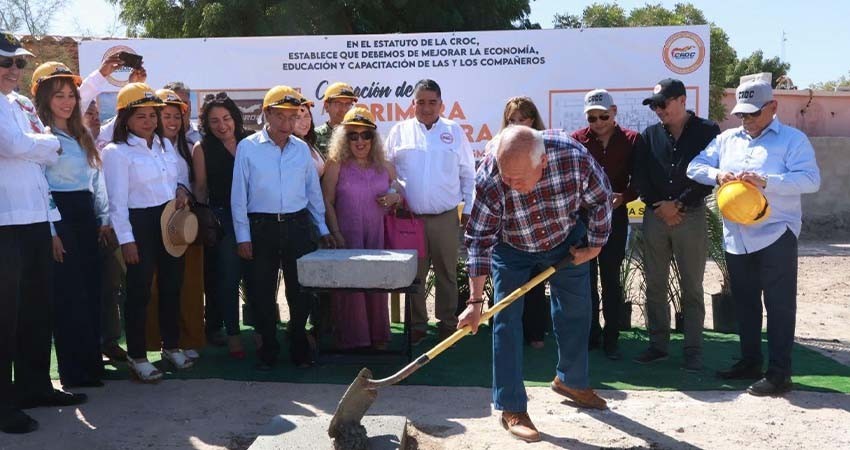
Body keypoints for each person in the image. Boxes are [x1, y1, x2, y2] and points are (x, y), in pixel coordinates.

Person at [459, 126, 612, 442]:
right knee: (507, 320)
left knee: (577, 311)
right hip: (511, 247)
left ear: (543, 161)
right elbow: (478, 239)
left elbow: (601, 198)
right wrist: (475, 303)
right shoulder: (491, 176)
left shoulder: (574, 157)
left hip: (564, 239)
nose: (510, 185)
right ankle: (511, 406)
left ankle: (571, 380)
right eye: (506, 178)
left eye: (518, 179)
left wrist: (594, 246)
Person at [687, 80, 821, 396]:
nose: (746, 121)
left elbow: (811, 180)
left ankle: (779, 373)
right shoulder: (726, 140)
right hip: (737, 236)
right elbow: (695, 167)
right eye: (742, 115)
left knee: (779, 306)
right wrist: (717, 175)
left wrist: (767, 181)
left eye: (753, 114)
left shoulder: (793, 140)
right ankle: (749, 362)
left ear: (772, 108)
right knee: (745, 305)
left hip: (777, 234)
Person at [0, 31, 86, 435]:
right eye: (6, 62)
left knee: (36, 310)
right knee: (5, 317)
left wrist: (34, 144)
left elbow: (40, 149)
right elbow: (14, 144)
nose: (14, 69)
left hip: (33, 218)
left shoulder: (17, 104)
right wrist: (37, 143)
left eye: (18, 62)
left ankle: (34, 386)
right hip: (3, 223)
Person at [231, 85, 333, 370]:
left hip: (297, 225)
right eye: (282, 117)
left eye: (293, 117)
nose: (288, 124)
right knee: (261, 291)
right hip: (260, 226)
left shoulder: (302, 149)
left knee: (300, 291)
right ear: (266, 114)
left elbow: (313, 193)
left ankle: (298, 344)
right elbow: (239, 196)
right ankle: (268, 346)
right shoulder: (248, 148)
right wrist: (243, 235)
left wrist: (322, 228)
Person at [101, 82, 194, 383]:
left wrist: (181, 190)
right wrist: (127, 240)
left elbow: (178, 178)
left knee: (171, 286)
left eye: (152, 115)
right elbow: (117, 202)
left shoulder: (165, 145)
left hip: (168, 218)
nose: (149, 121)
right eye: (141, 116)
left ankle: (171, 345)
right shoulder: (116, 152)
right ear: (124, 118)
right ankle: (137, 355)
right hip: (138, 224)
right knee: (139, 292)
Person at [31, 62, 110, 388]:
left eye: (70, 95)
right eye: (58, 95)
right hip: (58, 216)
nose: (66, 101)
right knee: (68, 297)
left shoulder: (82, 135)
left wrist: (103, 219)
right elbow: (40, 185)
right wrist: (51, 231)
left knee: (92, 292)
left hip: (85, 215)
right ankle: (73, 372)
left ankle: (92, 367)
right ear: (44, 100)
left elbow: (95, 180)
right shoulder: (40, 137)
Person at [632, 78, 720, 371]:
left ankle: (693, 349)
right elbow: (640, 176)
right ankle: (658, 345)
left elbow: (709, 176)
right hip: (656, 216)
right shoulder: (648, 136)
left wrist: (679, 204)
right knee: (655, 284)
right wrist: (660, 205)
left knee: (691, 286)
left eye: (663, 104)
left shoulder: (708, 132)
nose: (658, 110)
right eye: (654, 105)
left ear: (682, 100)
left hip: (690, 216)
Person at [385, 79, 476, 344]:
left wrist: (468, 208)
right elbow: (388, 173)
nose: (426, 107)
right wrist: (393, 196)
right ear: (413, 104)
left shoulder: (454, 131)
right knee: (414, 274)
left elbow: (468, 174)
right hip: (409, 219)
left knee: (447, 272)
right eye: (421, 102)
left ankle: (448, 324)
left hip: (445, 217)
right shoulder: (399, 132)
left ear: (441, 104)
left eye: (432, 102)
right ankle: (418, 325)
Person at [321, 107, 401, 350]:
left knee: (376, 284)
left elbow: (398, 192)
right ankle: (353, 339)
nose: (359, 141)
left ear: (374, 138)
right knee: (351, 289)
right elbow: (326, 201)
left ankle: (378, 337)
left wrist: (394, 198)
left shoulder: (385, 166)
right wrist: (335, 233)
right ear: (343, 138)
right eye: (352, 135)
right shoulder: (335, 165)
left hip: (377, 236)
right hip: (348, 237)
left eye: (365, 135)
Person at [571, 89, 641, 360]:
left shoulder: (633, 140)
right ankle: (590, 335)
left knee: (611, 278)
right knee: (586, 280)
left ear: (614, 112)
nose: (598, 123)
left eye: (603, 116)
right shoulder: (576, 140)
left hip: (616, 217)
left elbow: (640, 178)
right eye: (592, 118)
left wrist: (624, 197)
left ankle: (612, 337)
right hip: (583, 219)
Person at [143, 89, 205, 361]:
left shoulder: (188, 146)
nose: (172, 121)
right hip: (154, 225)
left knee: (188, 286)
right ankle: (158, 342)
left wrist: (187, 195)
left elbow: (195, 185)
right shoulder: (146, 147)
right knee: (157, 287)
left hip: (184, 226)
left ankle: (187, 339)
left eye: (176, 116)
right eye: (165, 115)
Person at [192, 91, 253, 359]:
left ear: (235, 118)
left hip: (256, 216)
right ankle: (233, 335)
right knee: (227, 279)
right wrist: (206, 222)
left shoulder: (252, 141)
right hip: (224, 219)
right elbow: (201, 189)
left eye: (226, 118)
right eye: (214, 120)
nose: (222, 125)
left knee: (257, 279)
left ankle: (263, 330)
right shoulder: (202, 148)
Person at [498, 96, 549, 350]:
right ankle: (509, 336)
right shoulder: (496, 148)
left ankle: (536, 334)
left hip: (539, 228)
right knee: (508, 288)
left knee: (536, 285)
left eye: (522, 119)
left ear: (533, 119)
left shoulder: (545, 148)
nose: (517, 123)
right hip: (510, 228)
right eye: (511, 120)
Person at [314, 82, 357, 156]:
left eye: (348, 104)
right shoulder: (315, 136)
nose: (343, 109)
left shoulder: (360, 136)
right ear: (326, 106)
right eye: (338, 103)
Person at [294, 97, 325, 176]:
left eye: (306, 116)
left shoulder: (309, 142)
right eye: (297, 117)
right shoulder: (288, 147)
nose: (304, 122)